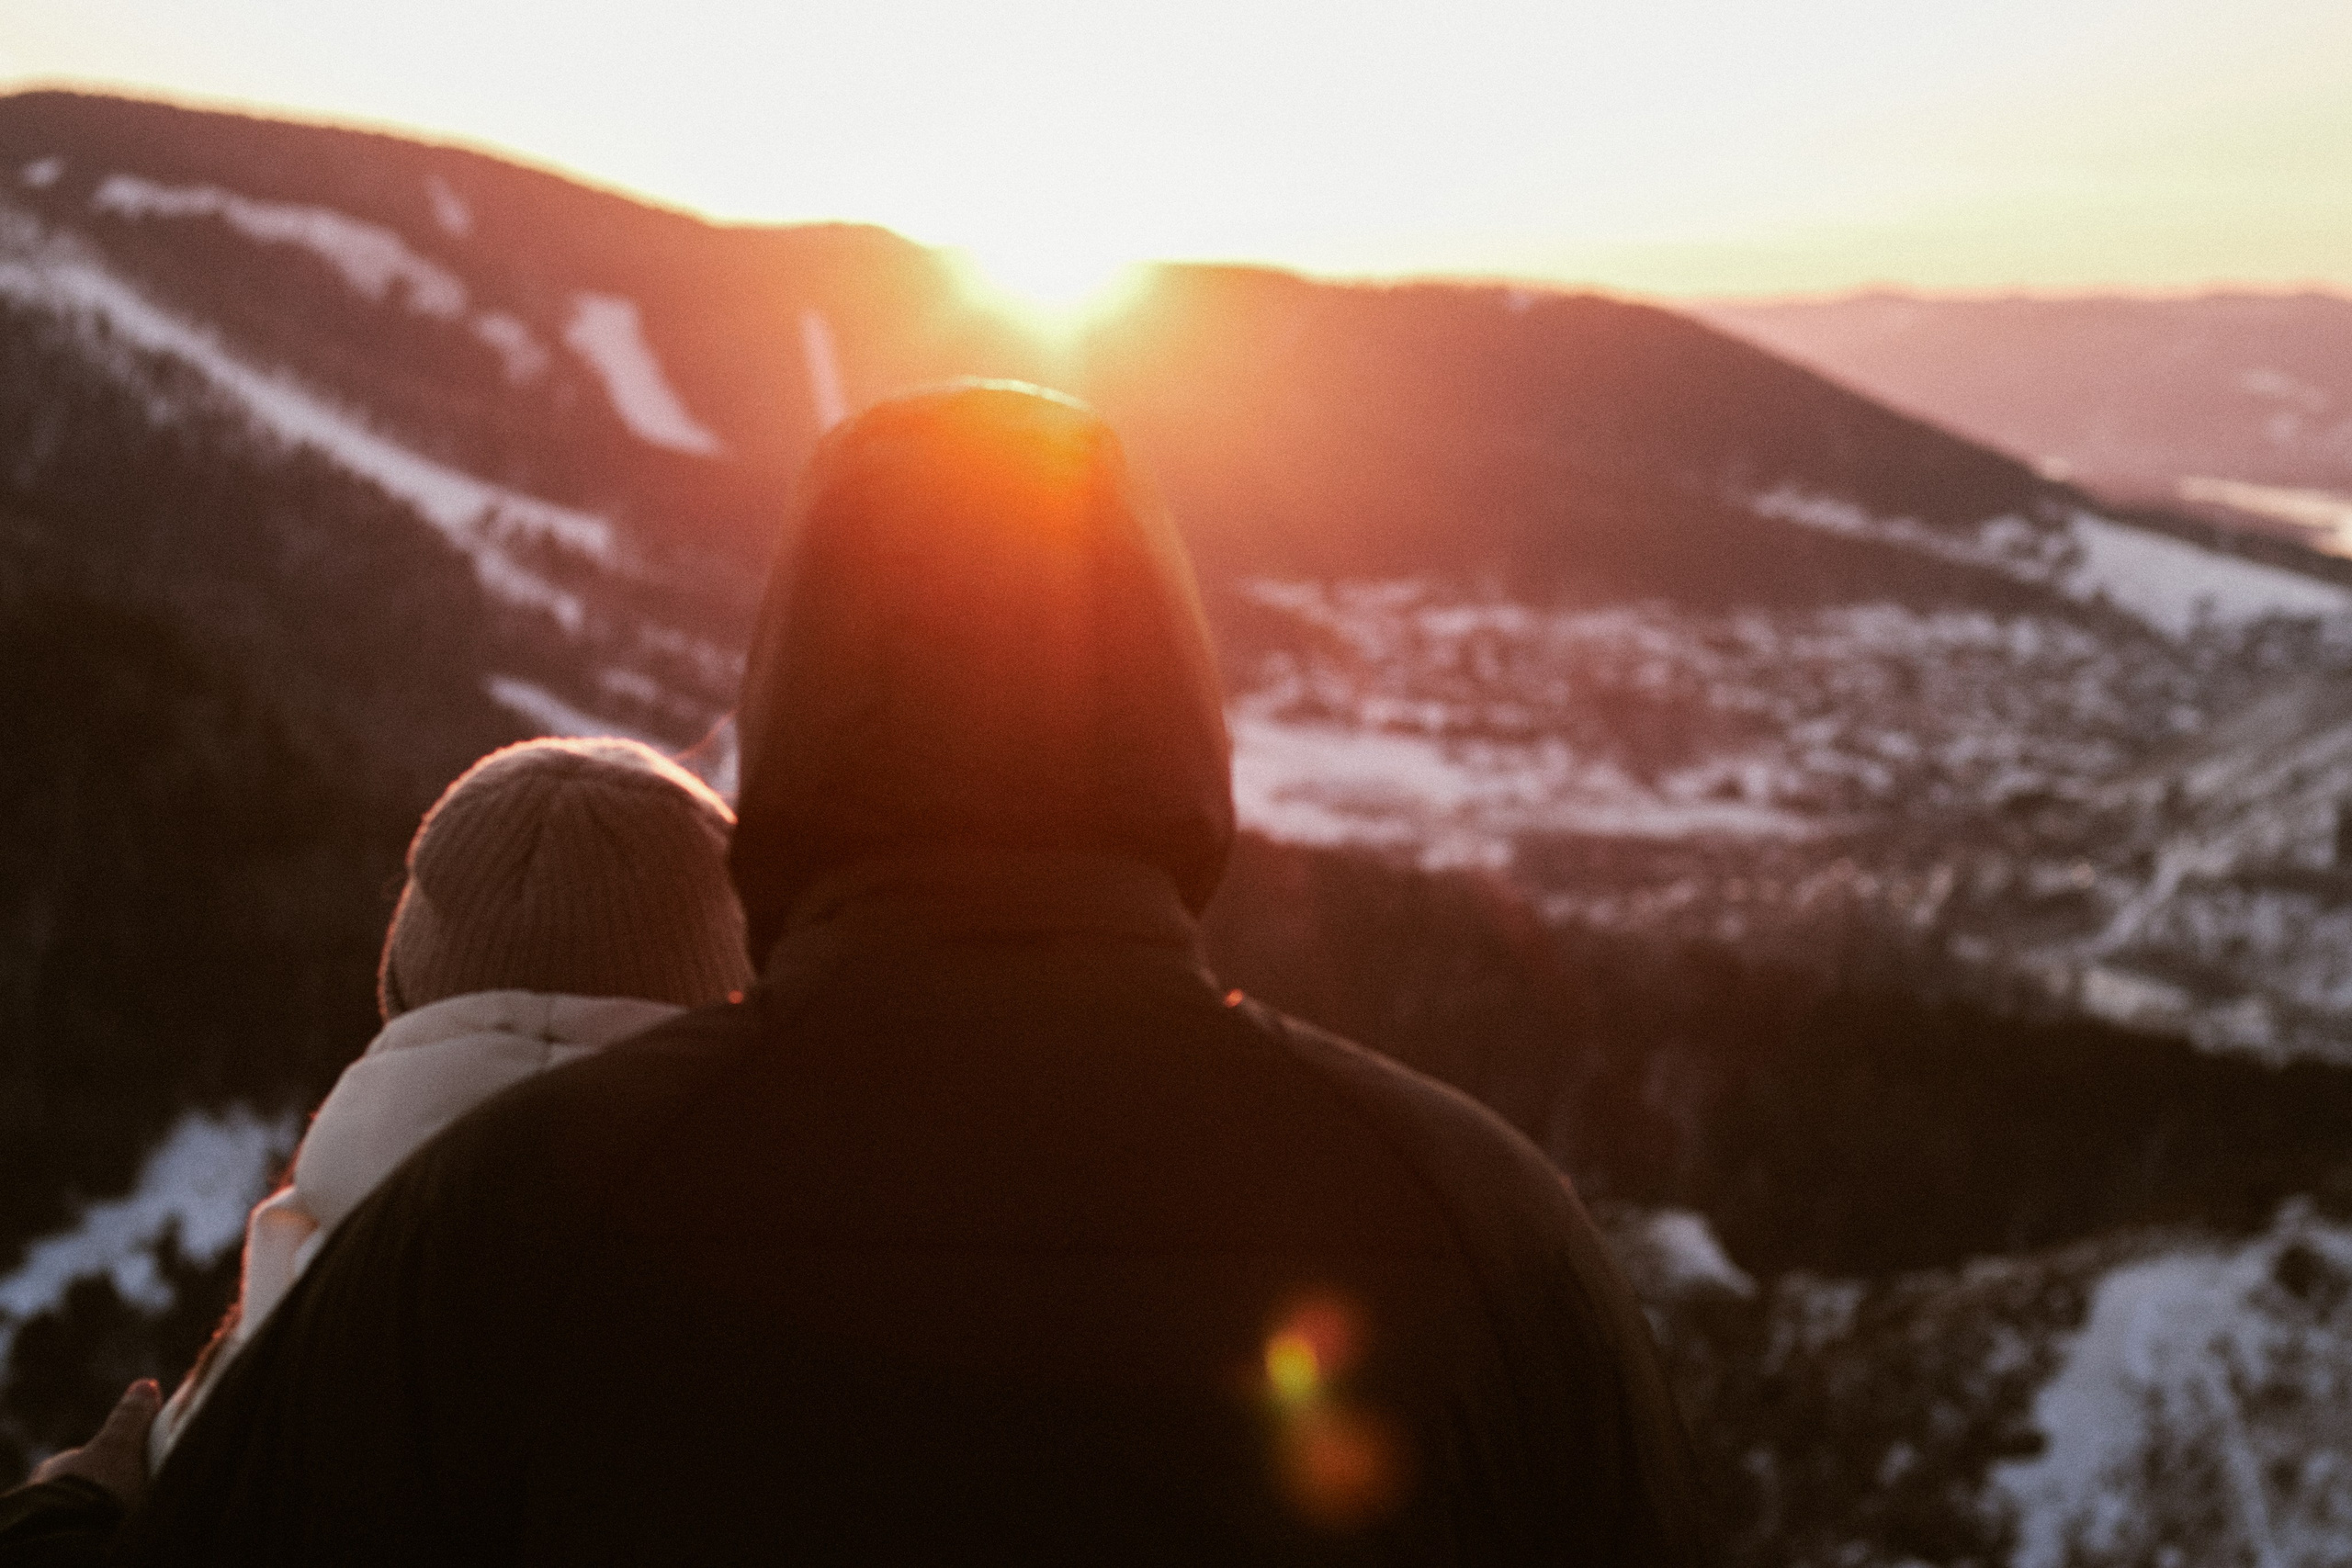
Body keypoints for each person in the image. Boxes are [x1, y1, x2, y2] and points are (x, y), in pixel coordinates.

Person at [49, 381, 1704, 1562]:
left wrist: (113, 1473)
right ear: (1177, 710)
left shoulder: (497, 1221)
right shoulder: (1477, 1225)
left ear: (795, 711)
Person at [0, 737, 752, 1555]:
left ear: (403, 985)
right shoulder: (806, 1336)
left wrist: (67, 1517)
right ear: (734, 988)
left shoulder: (276, 1346)